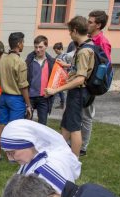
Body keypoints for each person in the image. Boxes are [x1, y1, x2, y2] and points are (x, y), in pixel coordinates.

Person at [45, 16, 95, 157]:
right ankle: (58, 153)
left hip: (79, 92)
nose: (69, 34)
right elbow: (82, 68)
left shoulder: (84, 51)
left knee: (74, 127)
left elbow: (80, 79)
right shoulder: (88, 45)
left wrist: (56, 90)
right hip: (78, 92)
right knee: (67, 123)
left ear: (74, 31)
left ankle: (74, 161)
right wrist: (67, 66)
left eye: (69, 31)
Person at [80, 10, 112, 156]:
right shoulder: (87, 38)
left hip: (91, 85)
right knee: (78, 113)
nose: (87, 23)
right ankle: (74, 141)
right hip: (82, 82)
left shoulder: (102, 42)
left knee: (86, 116)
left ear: (98, 25)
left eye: (90, 22)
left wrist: (93, 84)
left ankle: (83, 147)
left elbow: (105, 65)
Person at [0, 32, 32, 156]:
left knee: (1, 125)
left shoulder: (1, 61)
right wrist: (28, 105)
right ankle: (11, 155)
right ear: (19, 44)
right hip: (15, 98)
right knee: (14, 128)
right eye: (22, 42)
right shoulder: (20, 62)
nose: (23, 45)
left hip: (3, 96)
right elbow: (23, 85)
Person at [25, 36, 55, 125]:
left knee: (42, 125)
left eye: (40, 47)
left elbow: (55, 81)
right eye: (36, 47)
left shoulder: (51, 62)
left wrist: (51, 92)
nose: (38, 50)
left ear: (46, 46)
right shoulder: (29, 61)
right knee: (27, 123)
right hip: (30, 97)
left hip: (44, 98)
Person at [52, 43, 67, 109]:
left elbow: (67, 65)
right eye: (55, 51)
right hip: (57, 75)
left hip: (61, 76)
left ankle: (52, 103)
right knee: (60, 91)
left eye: (56, 51)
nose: (55, 52)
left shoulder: (64, 56)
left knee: (56, 90)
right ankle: (62, 104)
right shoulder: (57, 56)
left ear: (60, 49)